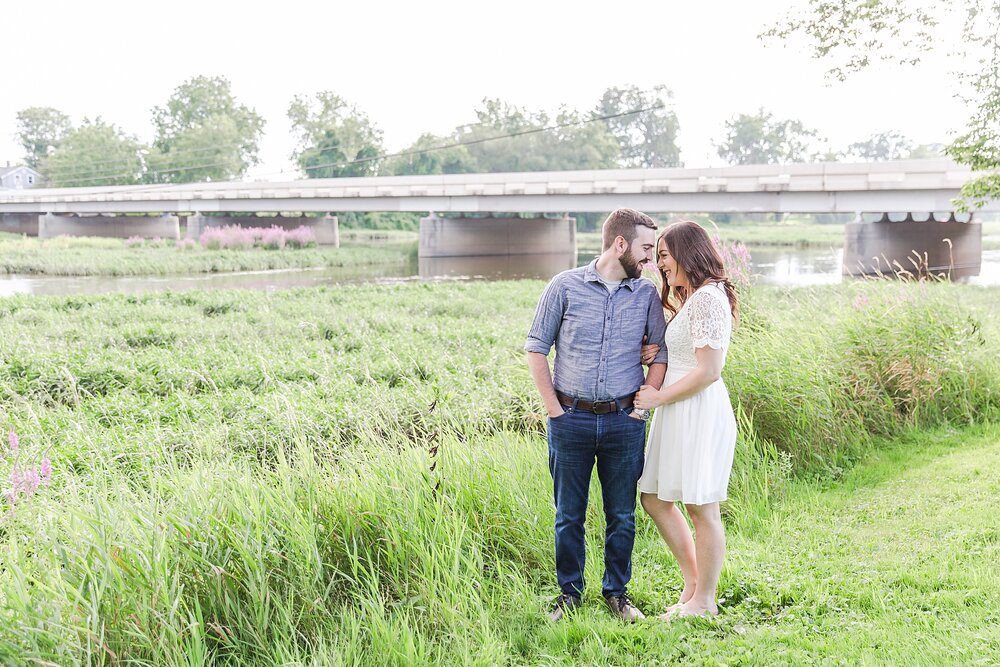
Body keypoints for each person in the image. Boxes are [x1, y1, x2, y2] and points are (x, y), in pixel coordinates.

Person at [525, 208, 668, 623]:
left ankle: (617, 594)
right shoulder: (564, 286)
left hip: (625, 422)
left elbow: (660, 351)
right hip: (571, 419)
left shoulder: (644, 295)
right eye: (645, 249)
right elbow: (536, 348)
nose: (649, 260)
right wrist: (555, 411)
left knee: (621, 515)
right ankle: (569, 596)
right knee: (568, 514)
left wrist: (644, 404)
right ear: (619, 244)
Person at [634, 220, 739, 620]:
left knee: (701, 506)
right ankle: (693, 585)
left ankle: (704, 600)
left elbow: (709, 370)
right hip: (679, 410)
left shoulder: (709, 298)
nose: (659, 264)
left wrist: (658, 396)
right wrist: (656, 355)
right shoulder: (694, 298)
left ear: (687, 252)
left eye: (663, 255)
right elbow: (684, 355)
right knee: (656, 499)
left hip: (697, 409)